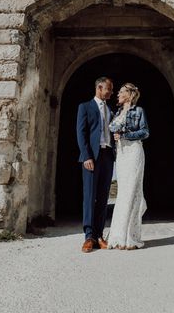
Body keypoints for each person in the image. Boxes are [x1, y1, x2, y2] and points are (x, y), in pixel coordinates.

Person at [105, 83, 149, 250]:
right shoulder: (117, 113)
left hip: (134, 151)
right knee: (123, 193)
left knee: (132, 191)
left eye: (122, 92)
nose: (118, 94)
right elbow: (112, 129)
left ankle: (131, 237)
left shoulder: (138, 111)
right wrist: (117, 134)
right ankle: (118, 236)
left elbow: (145, 132)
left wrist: (125, 134)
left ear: (130, 95)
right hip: (122, 155)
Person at [76, 76, 115, 253]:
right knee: (90, 196)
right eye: (109, 89)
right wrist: (86, 157)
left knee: (103, 197)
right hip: (92, 157)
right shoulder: (84, 107)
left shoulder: (111, 110)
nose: (111, 92)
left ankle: (99, 235)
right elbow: (81, 133)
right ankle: (89, 237)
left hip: (108, 156)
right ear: (100, 88)